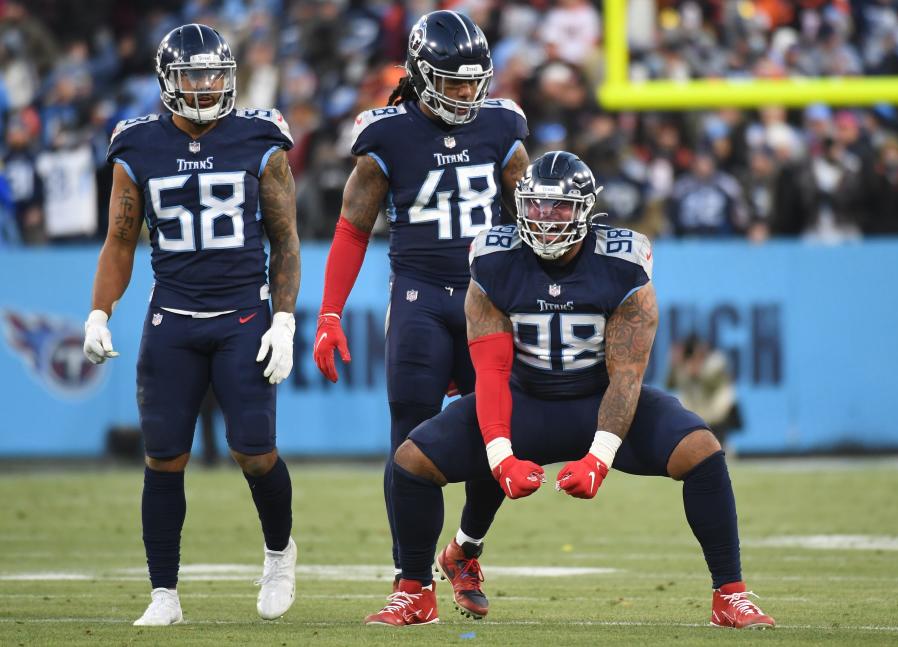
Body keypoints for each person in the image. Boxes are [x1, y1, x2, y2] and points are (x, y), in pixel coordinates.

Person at [364, 151, 776, 629]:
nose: (545, 219)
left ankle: (730, 595)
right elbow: (491, 373)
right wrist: (501, 457)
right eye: (536, 206)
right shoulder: (495, 258)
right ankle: (415, 593)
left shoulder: (622, 263)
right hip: (524, 403)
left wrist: (600, 457)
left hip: (600, 401)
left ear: (586, 209)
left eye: (559, 208)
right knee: (412, 462)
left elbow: (627, 375)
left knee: (701, 452)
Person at [312, 10, 529, 620]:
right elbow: (353, 229)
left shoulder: (502, 126)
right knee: (410, 440)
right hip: (419, 297)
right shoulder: (388, 134)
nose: (466, 93)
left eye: (473, 81)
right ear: (420, 74)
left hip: (486, 298)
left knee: (497, 433)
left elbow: (531, 213)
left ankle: (466, 549)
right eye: (453, 82)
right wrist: (330, 313)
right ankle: (412, 584)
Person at [82, 24, 300, 625]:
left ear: (228, 78)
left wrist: (283, 321)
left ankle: (280, 555)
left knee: (254, 454)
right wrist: (100, 310)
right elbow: (120, 241)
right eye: (191, 77)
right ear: (166, 82)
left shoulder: (261, 139)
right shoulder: (137, 147)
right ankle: (164, 595)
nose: (204, 88)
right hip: (172, 318)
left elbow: (285, 241)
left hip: (244, 315)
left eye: (213, 75)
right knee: (163, 458)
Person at [667, 334, 743, 451]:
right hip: (696, 407)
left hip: (714, 406)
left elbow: (714, 382)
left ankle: (722, 441)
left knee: (727, 398)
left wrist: (699, 370)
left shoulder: (716, 360)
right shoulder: (681, 365)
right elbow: (670, 384)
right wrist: (672, 366)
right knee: (677, 402)